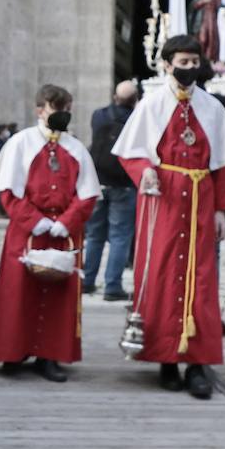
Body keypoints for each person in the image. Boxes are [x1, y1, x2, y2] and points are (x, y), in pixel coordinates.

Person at [112, 36, 225, 399]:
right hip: (163, 201)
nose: (189, 68)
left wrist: (220, 211)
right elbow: (130, 153)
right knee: (162, 275)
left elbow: (222, 165)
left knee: (201, 279)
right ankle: (166, 359)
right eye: (182, 62)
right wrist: (144, 173)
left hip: (201, 199)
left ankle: (198, 364)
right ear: (167, 64)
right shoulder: (152, 104)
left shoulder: (212, 107)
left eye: (194, 62)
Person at [0, 84, 100, 382]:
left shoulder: (76, 149)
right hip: (28, 231)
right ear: (40, 110)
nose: (62, 114)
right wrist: (33, 220)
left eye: (66, 109)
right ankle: (14, 351)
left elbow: (87, 195)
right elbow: (8, 191)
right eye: (55, 108)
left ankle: (50, 355)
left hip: (64, 233)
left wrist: (68, 221)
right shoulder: (20, 144)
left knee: (58, 295)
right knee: (18, 291)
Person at [83, 80, 138, 301]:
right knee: (120, 236)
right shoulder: (135, 120)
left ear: (115, 97)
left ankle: (87, 281)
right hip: (123, 184)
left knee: (95, 235)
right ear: (135, 100)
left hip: (98, 182)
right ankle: (112, 286)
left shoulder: (99, 115)